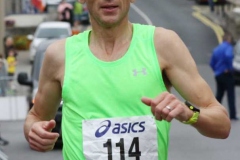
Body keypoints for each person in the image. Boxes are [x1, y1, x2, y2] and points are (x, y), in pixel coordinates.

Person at [24, 0, 231, 159]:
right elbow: (36, 117)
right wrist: (34, 132)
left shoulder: (162, 44)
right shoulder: (60, 55)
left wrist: (189, 114)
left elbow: (222, 125)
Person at [210, 33, 237, 120]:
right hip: (226, 74)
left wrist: (216, 70)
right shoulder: (228, 47)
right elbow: (228, 56)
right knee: (230, 95)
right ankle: (232, 115)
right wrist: (229, 68)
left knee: (219, 94)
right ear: (228, 40)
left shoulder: (217, 49)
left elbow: (211, 63)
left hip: (218, 74)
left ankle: (214, 112)